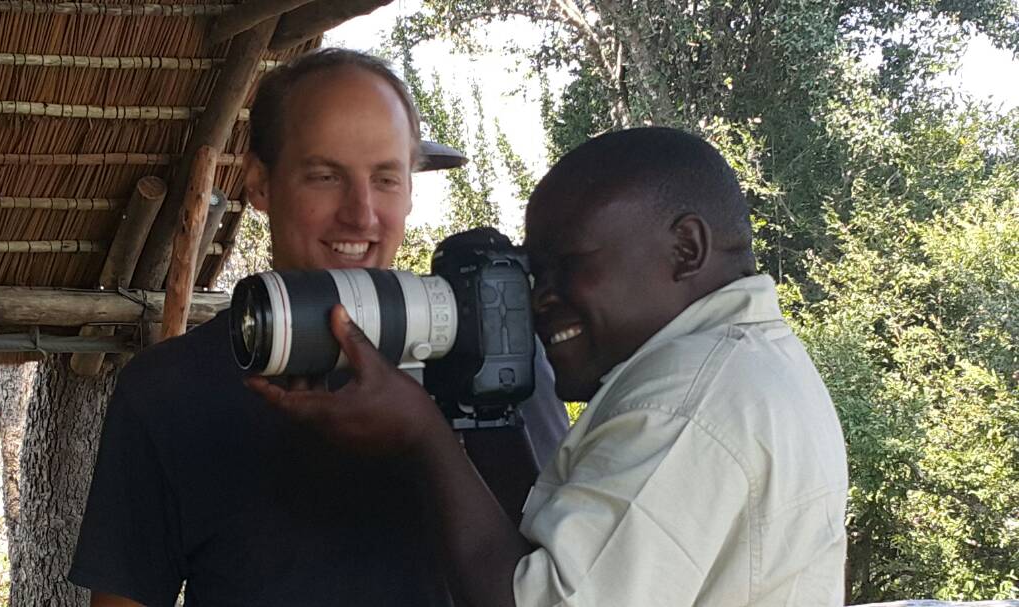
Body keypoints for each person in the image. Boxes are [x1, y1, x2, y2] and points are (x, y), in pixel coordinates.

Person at [248, 127, 850, 606]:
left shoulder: (684, 405)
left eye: (570, 265)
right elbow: (548, 550)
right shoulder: (749, 367)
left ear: (685, 249)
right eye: (533, 273)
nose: (540, 298)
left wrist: (422, 434)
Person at [68, 48, 568, 607]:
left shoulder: (493, 358)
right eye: (326, 176)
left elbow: (569, 574)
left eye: (385, 179)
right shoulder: (170, 388)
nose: (361, 213)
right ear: (259, 183)